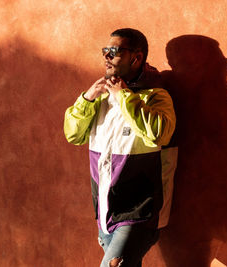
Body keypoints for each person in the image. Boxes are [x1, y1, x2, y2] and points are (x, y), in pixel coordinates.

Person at [64, 28, 176, 267]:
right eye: (105, 50)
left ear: (136, 58)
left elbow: (159, 133)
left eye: (114, 51)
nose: (106, 56)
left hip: (139, 212)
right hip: (105, 210)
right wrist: (87, 98)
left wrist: (124, 95)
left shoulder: (156, 97)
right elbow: (73, 134)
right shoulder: (100, 97)